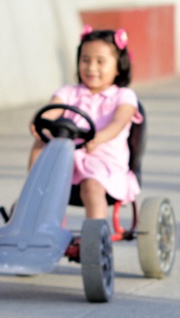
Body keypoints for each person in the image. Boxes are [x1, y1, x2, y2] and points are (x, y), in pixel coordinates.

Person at [27, 26, 143, 220]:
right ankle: (34, 195)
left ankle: (95, 234)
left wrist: (98, 138)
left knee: (91, 187)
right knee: (41, 143)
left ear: (118, 66)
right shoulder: (69, 92)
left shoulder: (123, 96)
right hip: (69, 158)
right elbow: (54, 108)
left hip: (103, 160)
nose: (91, 68)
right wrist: (41, 122)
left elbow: (118, 122)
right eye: (85, 60)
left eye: (100, 62)